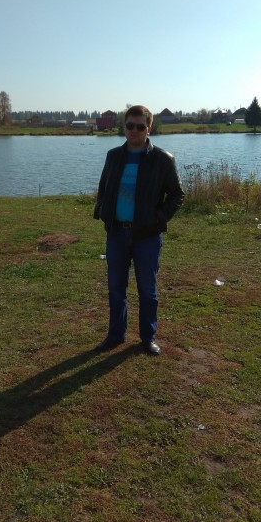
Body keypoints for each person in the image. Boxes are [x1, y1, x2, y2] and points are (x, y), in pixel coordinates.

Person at [94, 105, 185, 355]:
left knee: (147, 290)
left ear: (149, 129)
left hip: (147, 236)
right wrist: (102, 209)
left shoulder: (163, 159)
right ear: (124, 127)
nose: (134, 131)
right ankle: (115, 335)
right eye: (130, 126)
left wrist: (159, 218)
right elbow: (103, 189)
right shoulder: (113, 156)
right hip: (116, 233)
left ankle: (148, 337)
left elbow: (177, 195)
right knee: (116, 288)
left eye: (140, 126)